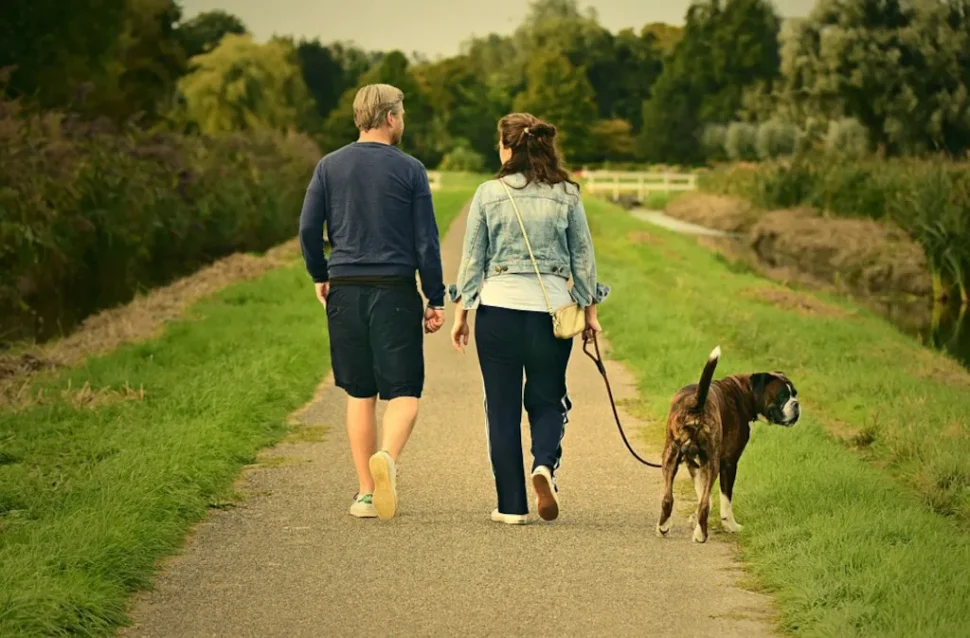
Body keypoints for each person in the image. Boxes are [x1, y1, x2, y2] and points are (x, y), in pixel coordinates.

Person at [448, 113, 610, 525]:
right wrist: (589, 313)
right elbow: (583, 259)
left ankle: (511, 506)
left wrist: (461, 314)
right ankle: (544, 465)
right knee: (548, 398)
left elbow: (473, 260)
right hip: (552, 314)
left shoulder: (488, 193)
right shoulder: (568, 194)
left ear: (508, 148)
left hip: (498, 312)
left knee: (500, 409)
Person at [298, 83, 446, 521]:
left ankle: (365, 492)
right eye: (401, 114)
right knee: (403, 392)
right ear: (389, 118)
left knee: (360, 393)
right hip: (394, 290)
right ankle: (387, 457)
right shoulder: (411, 170)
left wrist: (319, 274)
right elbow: (426, 241)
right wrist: (435, 297)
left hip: (344, 287)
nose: (403, 121)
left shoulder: (328, 166)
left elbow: (309, 229)